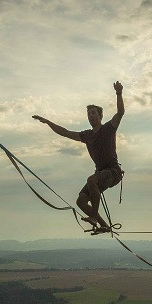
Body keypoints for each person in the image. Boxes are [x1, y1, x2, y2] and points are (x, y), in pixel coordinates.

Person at [33, 81, 125, 233]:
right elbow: (65, 132)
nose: (90, 116)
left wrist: (119, 93)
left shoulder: (109, 128)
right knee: (81, 201)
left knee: (91, 180)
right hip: (101, 173)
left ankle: (94, 217)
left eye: (93, 113)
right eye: (88, 114)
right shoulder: (87, 135)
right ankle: (103, 225)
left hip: (113, 172)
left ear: (100, 116)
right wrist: (48, 122)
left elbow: (120, 112)